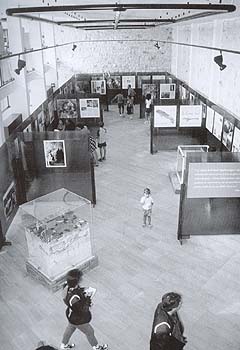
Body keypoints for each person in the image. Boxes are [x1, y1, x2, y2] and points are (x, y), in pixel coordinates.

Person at [60, 269, 108, 350]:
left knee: (70, 328)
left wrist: (82, 291)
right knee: (90, 332)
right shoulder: (74, 298)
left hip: (71, 315)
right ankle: (97, 347)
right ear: (77, 281)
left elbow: (73, 294)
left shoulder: (66, 286)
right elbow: (83, 310)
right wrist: (88, 299)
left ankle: (63, 345)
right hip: (79, 319)